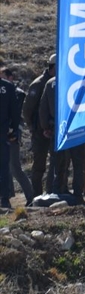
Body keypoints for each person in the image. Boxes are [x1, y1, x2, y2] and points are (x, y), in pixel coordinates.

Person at [40, 73, 85, 203]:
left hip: (58, 127)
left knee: (57, 162)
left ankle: (56, 191)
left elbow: (43, 108)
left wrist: (45, 127)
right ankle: (78, 194)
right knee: (78, 163)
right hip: (78, 127)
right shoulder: (79, 80)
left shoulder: (51, 83)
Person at [22, 56, 53, 196]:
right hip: (39, 131)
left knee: (57, 163)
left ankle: (52, 192)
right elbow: (27, 110)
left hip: (53, 129)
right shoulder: (39, 83)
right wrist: (33, 128)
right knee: (39, 165)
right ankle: (36, 195)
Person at [3, 67, 34, 206]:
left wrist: (13, 132)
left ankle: (30, 197)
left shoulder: (18, 93)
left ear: (10, 78)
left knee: (15, 167)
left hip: (11, 135)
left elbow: (14, 115)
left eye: (3, 77)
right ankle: (7, 196)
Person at [0, 70, 17, 210]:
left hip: (3, 133)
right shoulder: (8, 87)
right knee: (4, 167)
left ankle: (5, 198)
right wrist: (14, 130)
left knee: (4, 167)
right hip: (3, 133)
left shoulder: (8, 87)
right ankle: (4, 199)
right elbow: (15, 112)